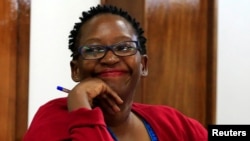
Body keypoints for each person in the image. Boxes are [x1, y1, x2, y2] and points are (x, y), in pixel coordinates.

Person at [23, 4, 208, 141]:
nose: (110, 59)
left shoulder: (171, 122)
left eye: (124, 47)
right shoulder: (51, 119)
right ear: (76, 70)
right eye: (94, 50)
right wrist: (81, 106)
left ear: (143, 65)